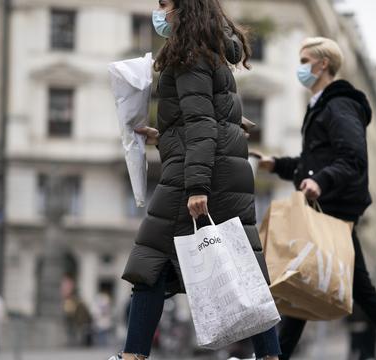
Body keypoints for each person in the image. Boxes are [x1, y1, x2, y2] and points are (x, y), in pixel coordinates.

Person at [110, 0, 281, 359]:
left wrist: (197, 186)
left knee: (150, 263)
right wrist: (166, 134)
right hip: (221, 168)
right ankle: (270, 356)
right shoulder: (211, 48)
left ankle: (132, 356)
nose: (161, 13)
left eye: (165, 4)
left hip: (199, 173)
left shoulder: (188, 52)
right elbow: (205, 119)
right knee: (242, 266)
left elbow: (202, 125)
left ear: (184, 7)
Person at [253, 37, 376, 360]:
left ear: (323, 65)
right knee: (310, 287)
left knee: (329, 286)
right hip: (327, 208)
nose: (300, 68)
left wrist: (319, 181)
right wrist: (277, 164)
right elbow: (312, 162)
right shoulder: (320, 105)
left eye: (305, 61)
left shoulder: (338, 105)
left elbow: (352, 157)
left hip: (333, 210)